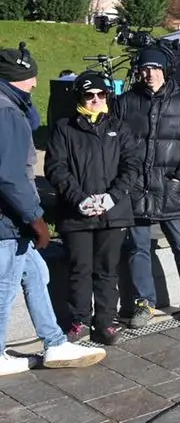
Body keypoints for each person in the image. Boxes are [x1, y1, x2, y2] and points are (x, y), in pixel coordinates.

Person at [0, 46, 107, 375]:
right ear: (18, 79)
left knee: (37, 274)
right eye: (30, 76)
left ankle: (54, 342)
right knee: (4, 287)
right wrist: (36, 219)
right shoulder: (7, 113)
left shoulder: (10, 107)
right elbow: (10, 175)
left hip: (13, 221)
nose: (35, 83)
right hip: (8, 222)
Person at [114, 46, 180, 328]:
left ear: (165, 70)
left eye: (155, 68)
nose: (150, 74)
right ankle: (144, 303)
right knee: (137, 247)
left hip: (172, 189)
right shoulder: (125, 103)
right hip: (136, 189)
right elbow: (113, 142)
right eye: (145, 69)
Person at [44, 72, 141, 345]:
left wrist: (113, 196)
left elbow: (131, 166)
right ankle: (80, 321)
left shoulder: (120, 128)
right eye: (90, 95)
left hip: (113, 212)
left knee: (108, 269)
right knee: (79, 268)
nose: (96, 99)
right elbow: (55, 167)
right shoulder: (64, 128)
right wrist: (79, 199)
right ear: (80, 97)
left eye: (101, 94)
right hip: (78, 214)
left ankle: (105, 322)